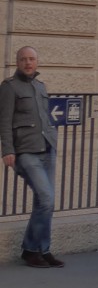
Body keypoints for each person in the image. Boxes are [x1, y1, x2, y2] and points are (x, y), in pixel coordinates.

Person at [0, 46, 64, 268]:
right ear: (17, 62)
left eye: (32, 59)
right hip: (25, 151)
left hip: (47, 148)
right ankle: (30, 250)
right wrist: (7, 150)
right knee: (46, 198)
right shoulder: (9, 87)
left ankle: (40, 250)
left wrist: (54, 140)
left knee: (45, 202)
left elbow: (45, 117)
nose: (28, 63)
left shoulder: (40, 86)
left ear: (37, 62)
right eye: (23, 59)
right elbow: (4, 121)